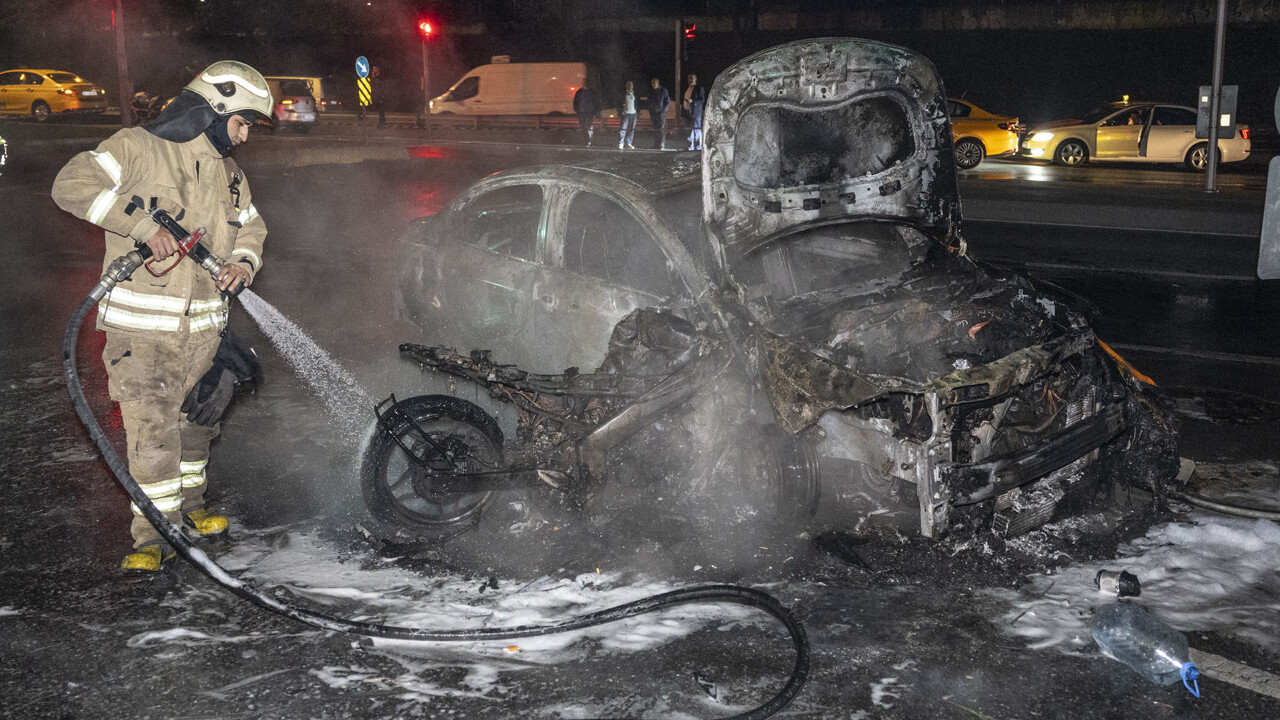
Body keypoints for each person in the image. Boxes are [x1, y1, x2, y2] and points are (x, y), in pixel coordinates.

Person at [51, 61, 272, 572]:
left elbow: (252, 228)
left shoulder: (231, 175)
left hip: (204, 332)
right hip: (141, 331)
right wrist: (138, 223)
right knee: (153, 434)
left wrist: (243, 262)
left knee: (197, 426)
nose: (245, 136)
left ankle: (190, 510)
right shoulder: (136, 148)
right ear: (214, 111)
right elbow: (72, 183)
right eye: (242, 122)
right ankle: (153, 536)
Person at [683, 73, 707, 151]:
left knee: (696, 128)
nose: (690, 80)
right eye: (689, 78)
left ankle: (698, 146)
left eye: (692, 78)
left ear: (695, 79)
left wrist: (693, 100)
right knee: (689, 129)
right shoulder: (687, 88)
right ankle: (690, 146)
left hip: (696, 112)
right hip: (687, 111)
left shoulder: (699, 88)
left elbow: (702, 99)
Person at [647, 77, 671, 150]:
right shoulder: (651, 91)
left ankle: (662, 144)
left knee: (661, 129)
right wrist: (650, 110)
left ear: (658, 83)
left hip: (661, 113)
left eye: (654, 83)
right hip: (653, 113)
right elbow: (648, 102)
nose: (653, 84)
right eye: (652, 83)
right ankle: (656, 144)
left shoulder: (663, 91)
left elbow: (668, 102)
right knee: (655, 129)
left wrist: (663, 111)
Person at [573, 78, 599, 146]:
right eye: (584, 82)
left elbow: (596, 102)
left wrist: (595, 112)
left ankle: (589, 140)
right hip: (582, 112)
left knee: (589, 126)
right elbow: (575, 102)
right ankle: (586, 140)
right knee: (583, 127)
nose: (585, 83)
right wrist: (577, 110)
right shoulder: (579, 92)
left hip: (590, 112)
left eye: (586, 82)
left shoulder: (592, 92)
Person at [617, 80, 637, 150]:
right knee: (623, 128)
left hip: (633, 114)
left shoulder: (635, 93)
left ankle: (628, 143)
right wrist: (620, 111)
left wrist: (638, 111)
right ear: (626, 86)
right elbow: (618, 103)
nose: (629, 86)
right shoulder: (623, 94)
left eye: (631, 84)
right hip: (625, 114)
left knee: (632, 129)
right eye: (628, 84)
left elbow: (638, 103)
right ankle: (621, 143)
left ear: (633, 86)